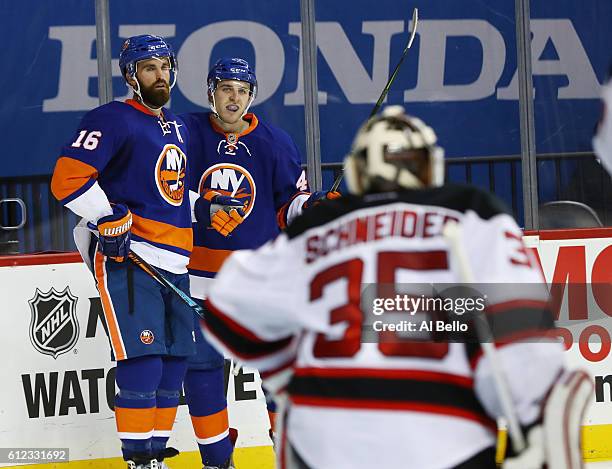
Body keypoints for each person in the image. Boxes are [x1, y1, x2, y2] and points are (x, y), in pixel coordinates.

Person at [200, 106, 592, 468]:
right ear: (429, 168)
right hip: (442, 438)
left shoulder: (317, 227)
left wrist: (291, 372)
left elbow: (225, 307)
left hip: (324, 439)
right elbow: (520, 333)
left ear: (356, 172)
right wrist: (533, 418)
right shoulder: (472, 211)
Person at [174, 57, 337, 469]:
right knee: (203, 375)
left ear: (252, 96)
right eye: (226, 88)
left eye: (242, 91)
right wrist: (200, 208)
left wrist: (314, 205)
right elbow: (165, 192)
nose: (234, 98)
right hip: (199, 282)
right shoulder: (183, 134)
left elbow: (288, 207)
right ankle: (216, 460)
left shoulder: (275, 142)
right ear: (210, 91)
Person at [50, 35, 195, 469]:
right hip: (130, 259)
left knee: (173, 368)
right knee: (144, 361)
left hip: (176, 260)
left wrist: (202, 206)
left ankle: (156, 454)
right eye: (148, 68)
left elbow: (168, 193)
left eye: (164, 66)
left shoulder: (179, 126)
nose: (159, 75)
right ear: (131, 75)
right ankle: (137, 460)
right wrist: (105, 214)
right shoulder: (111, 118)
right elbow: (67, 178)